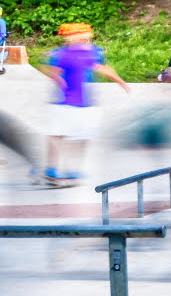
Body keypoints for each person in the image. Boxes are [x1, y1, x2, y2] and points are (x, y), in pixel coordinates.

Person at [39, 22, 129, 185]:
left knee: (81, 135)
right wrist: (57, 78)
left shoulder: (92, 51)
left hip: (84, 101)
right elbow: (51, 69)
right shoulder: (61, 53)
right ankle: (52, 168)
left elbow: (101, 67)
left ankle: (71, 170)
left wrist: (120, 81)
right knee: (59, 134)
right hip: (63, 101)